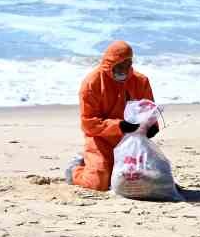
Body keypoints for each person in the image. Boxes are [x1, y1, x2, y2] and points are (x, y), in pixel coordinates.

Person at [65, 40, 157, 191]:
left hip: (131, 140)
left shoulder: (141, 81)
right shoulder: (92, 83)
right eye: (120, 65)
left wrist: (152, 126)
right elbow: (89, 124)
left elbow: (149, 110)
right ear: (110, 63)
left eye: (128, 64)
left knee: (146, 177)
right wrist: (119, 125)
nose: (124, 70)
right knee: (99, 182)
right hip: (100, 139)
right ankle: (75, 170)